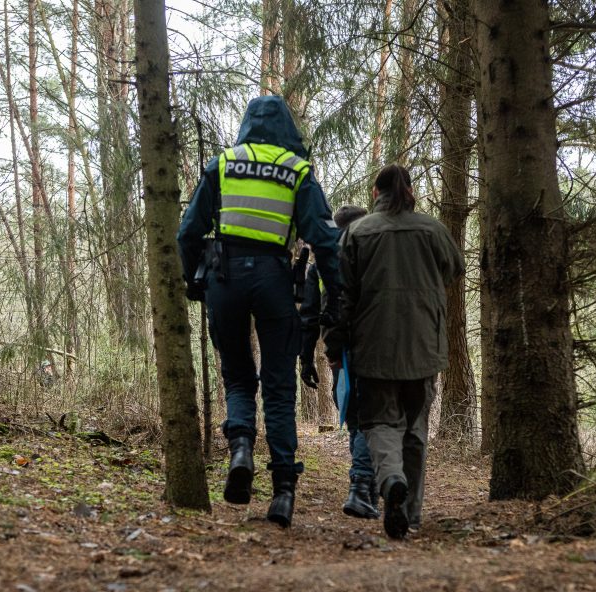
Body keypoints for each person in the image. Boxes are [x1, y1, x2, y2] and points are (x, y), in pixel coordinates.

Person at [177, 95, 342, 528]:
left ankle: (242, 450)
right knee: (279, 389)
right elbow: (325, 241)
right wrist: (337, 293)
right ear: (287, 126)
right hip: (273, 278)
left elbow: (188, 232)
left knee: (236, 375)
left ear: (246, 124)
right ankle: (284, 494)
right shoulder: (297, 171)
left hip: (224, 278)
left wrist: (194, 281)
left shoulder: (223, 164)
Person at [325, 164, 465, 539]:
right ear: (409, 191)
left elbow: (340, 296)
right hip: (424, 347)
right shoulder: (433, 230)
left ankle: (390, 480)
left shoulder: (357, 232)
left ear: (375, 193)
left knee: (379, 423)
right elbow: (455, 268)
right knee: (415, 430)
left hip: (372, 348)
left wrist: (333, 345)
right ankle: (411, 514)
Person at [298, 204, 379, 520]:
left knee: (358, 417)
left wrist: (306, 358)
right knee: (367, 419)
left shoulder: (322, 263)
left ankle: (366, 487)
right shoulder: (371, 254)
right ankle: (362, 487)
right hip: (367, 348)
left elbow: (309, 315)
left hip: (340, 353)